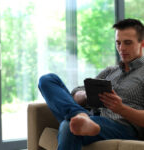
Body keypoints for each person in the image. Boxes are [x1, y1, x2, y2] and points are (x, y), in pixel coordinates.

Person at [38, 18, 144, 150]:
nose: (121, 48)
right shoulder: (110, 71)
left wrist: (120, 108)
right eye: (118, 43)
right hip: (92, 117)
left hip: (122, 126)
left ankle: (79, 119)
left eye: (127, 43)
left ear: (142, 43)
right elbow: (74, 95)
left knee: (68, 126)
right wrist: (86, 95)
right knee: (47, 79)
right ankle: (80, 116)